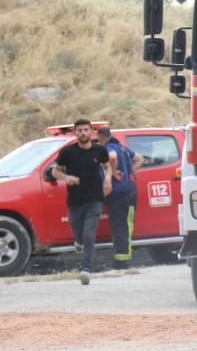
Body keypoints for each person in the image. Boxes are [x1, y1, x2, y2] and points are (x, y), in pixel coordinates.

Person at [52, 119, 111, 284]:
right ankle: (78, 242)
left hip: (95, 199)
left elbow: (107, 166)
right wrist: (67, 178)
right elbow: (55, 172)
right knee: (79, 234)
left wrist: (108, 179)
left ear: (91, 132)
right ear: (75, 133)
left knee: (89, 234)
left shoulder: (99, 150)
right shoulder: (68, 152)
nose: (83, 133)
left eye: (86, 130)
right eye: (80, 130)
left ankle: (86, 269)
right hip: (75, 201)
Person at [95, 126, 143, 268]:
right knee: (126, 224)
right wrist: (128, 172)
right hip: (129, 189)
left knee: (120, 226)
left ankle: (122, 260)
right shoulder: (122, 147)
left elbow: (112, 157)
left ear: (101, 137)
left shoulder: (109, 147)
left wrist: (114, 172)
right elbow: (140, 159)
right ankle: (123, 257)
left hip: (119, 193)